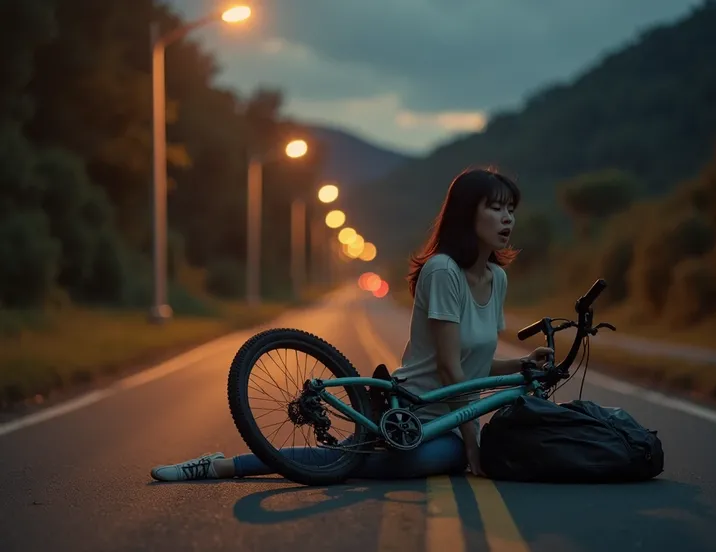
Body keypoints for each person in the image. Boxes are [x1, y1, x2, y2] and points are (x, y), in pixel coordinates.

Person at [150, 167, 553, 482]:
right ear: (468, 214)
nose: (507, 219)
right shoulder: (443, 271)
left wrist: (523, 366)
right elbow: (451, 369)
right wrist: (473, 442)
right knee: (360, 462)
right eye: (495, 208)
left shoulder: (497, 278)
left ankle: (250, 463)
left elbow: (476, 367)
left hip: (450, 423)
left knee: (433, 459)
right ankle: (222, 466)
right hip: (416, 411)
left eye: (511, 210)